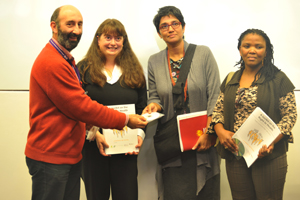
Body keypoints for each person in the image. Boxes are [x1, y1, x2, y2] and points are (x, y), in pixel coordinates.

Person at [25, 5, 147, 200]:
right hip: (52, 157)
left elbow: (75, 110)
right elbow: (81, 106)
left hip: (69, 155)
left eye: (80, 24)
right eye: (70, 24)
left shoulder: (65, 60)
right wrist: (124, 120)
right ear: (54, 26)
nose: (76, 30)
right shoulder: (54, 62)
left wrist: (94, 128)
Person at [142, 6, 221, 200]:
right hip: (173, 142)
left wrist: (210, 133)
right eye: (164, 26)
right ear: (160, 34)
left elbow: (215, 96)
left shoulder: (203, 54)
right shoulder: (154, 61)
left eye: (175, 24)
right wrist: (154, 105)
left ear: (183, 27)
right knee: (176, 192)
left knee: (205, 191)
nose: (170, 29)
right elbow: (154, 96)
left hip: (203, 138)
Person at [209, 28, 297, 200]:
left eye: (258, 47)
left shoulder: (279, 79)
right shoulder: (230, 78)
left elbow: (290, 116)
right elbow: (218, 110)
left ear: (266, 51)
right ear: (240, 49)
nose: (252, 50)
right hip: (236, 155)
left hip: (267, 155)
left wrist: (271, 141)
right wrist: (220, 131)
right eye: (247, 46)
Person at [77, 19, 147, 200]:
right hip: (93, 149)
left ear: (124, 41)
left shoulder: (134, 70)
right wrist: (93, 132)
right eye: (108, 37)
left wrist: (139, 135)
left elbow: (142, 107)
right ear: (98, 39)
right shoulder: (83, 69)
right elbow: (75, 107)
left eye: (118, 38)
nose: (113, 43)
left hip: (126, 149)